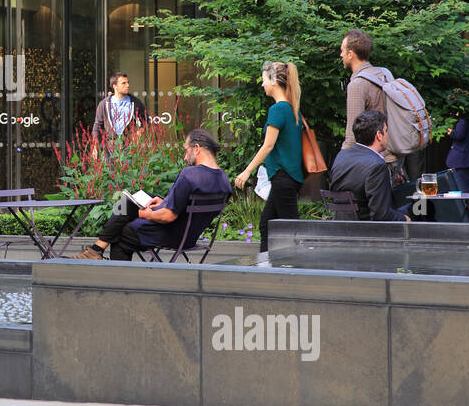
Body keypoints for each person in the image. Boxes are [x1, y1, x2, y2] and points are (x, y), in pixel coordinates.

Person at [70, 128, 231, 260]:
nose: (184, 156)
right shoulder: (223, 180)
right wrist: (164, 202)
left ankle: (105, 264)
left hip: (170, 233)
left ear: (196, 148)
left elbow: (168, 216)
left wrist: (144, 214)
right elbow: (188, 208)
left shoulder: (189, 174)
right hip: (189, 236)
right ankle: (96, 250)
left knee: (122, 229)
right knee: (133, 201)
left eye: (185, 150)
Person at [233, 61, 305, 253]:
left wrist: (247, 171)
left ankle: (298, 272)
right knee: (267, 225)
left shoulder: (278, 109)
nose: (262, 84)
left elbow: (268, 145)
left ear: (273, 81)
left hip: (283, 177)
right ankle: (268, 268)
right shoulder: (292, 108)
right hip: (288, 178)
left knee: (291, 230)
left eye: (264, 80)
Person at [328, 110, 410, 222]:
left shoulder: (342, 156)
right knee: (419, 210)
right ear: (379, 135)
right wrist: (406, 219)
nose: (387, 135)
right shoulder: (377, 166)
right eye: (386, 131)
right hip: (366, 231)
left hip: (340, 226)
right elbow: (381, 216)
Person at [90, 72, 148, 153]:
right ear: (115, 86)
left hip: (129, 147)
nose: (127, 85)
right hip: (109, 148)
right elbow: (97, 126)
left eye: (128, 83)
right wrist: (95, 147)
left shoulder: (135, 102)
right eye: (123, 83)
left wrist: (139, 132)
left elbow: (146, 120)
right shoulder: (104, 104)